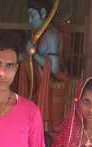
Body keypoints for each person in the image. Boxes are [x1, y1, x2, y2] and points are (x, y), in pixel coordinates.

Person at [19, 0, 70, 132]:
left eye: (32, 15)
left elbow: (54, 68)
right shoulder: (38, 34)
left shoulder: (51, 36)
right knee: (36, 118)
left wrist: (33, 53)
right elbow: (28, 57)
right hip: (41, 82)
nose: (30, 21)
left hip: (54, 85)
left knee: (53, 125)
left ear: (42, 13)